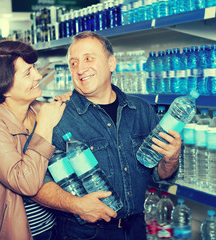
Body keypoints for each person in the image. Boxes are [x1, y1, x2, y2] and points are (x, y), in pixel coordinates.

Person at [32, 31, 181, 240]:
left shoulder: (141, 110)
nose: (80, 68)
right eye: (73, 63)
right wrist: (77, 205)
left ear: (111, 63)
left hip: (136, 228)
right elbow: (34, 183)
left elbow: (160, 174)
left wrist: (171, 158)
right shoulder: (57, 116)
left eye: (88, 59)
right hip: (83, 233)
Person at [0, 40, 68, 240]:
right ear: (4, 88)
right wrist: (44, 127)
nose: (38, 76)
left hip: (55, 225)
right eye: (28, 73)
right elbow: (27, 183)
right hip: (22, 233)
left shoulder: (36, 108)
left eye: (34, 68)